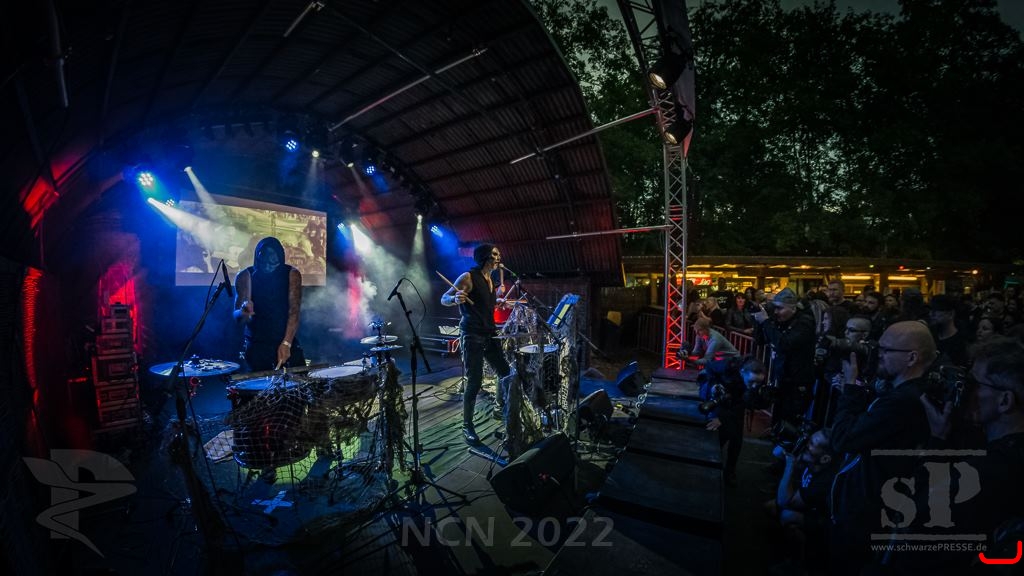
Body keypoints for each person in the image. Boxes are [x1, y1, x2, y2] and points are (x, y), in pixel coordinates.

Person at [828, 320, 936, 575]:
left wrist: (851, 388)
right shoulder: (904, 393)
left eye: (887, 350)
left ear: (912, 357)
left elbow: (843, 439)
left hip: (869, 507)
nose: (879, 355)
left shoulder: (903, 402)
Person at [440, 244, 512, 445]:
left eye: (499, 254)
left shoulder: (490, 280)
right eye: (495, 254)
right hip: (472, 334)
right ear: (485, 256)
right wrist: (454, 298)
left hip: (489, 333)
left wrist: (497, 303)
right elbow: (444, 298)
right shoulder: (468, 277)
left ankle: (499, 409)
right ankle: (467, 426)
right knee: (474, 381)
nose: (498, 257)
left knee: (505, 373)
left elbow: (483, 304)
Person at [233, 237, 304, 372]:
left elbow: (294, 312)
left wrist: (287, 343)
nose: (268, 267)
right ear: (258, 258)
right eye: (264, 263)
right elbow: (237, 316)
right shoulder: (246, 276)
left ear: (280, 259)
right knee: (257, 384)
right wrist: (244, 311)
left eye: (273, 263)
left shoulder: (292, 274)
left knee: (298, 382)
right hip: (257, 345)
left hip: (284, 340)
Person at [701, 356, 766, 485]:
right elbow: (709, 366)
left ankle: (730, 470)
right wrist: (715, 385)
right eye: (752, 381)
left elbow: (744, 403)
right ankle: (708, 464)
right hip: (716, 392)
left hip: (735, 398)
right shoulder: (728, 366)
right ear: (742, 372)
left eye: (758, 383)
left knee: (737, 436)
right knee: (720, 431)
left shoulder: (756, 381)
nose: (754, 386)